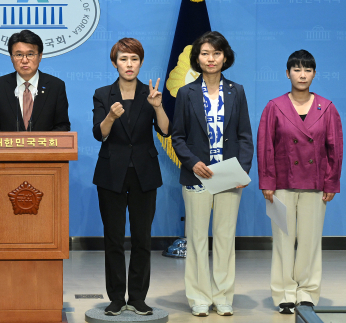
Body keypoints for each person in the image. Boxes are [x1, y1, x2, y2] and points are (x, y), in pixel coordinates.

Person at [171, 31, 253, 317]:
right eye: (205, 53)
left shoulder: (237, 91)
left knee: (224, 237)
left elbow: (244, 135)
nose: (211, 58)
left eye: (216, 53)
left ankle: (223, 295)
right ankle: (198, 297)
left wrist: (242, 171)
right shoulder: (186, 92)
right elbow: (177, 135)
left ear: (225, 57)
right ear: (197, 58)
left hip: (228, 175)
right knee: (195, 239)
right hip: (198, 175)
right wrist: (192, 162)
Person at [257, 50, 343, 314]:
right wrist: (267, 181)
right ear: (287, 73)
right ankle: (284, 293)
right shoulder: (274, 106)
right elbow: (265, 146)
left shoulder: (327, 107)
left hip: (315, 184)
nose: (302, 74)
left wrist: (331, 183)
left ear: (315, 74)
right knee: (282, 240)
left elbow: (335, 148)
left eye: (307, 69)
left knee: (310, 241)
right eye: (297, 69)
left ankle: (306, 293)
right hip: (281, 183)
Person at [92, 38, 170, 316]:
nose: (129, 64)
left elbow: (165, 131)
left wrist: (158, 106)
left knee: (142, 238)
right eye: (124, 59)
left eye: (134, 59)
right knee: (112, 238)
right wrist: (111, 117)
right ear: (115, 63)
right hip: (111, 172)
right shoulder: (103, 94)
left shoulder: (151, 94)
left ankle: (137, 297)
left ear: (140, 62)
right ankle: (115, 297)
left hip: (144, 173)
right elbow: (99, 133)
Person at [0, 29, 70, 132]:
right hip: (8, 147)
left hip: (43, 147)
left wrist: (41, 145)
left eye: (30, 54)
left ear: (40, 56)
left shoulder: (56, 86)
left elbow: (62, 126)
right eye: (19, 55)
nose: (24, 60)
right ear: (11, 57)